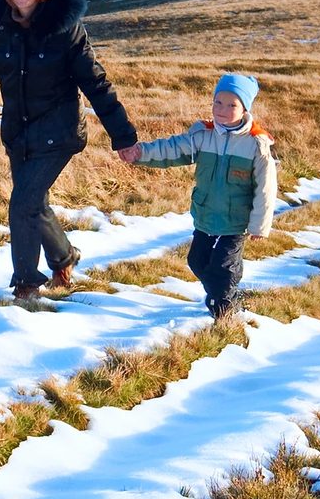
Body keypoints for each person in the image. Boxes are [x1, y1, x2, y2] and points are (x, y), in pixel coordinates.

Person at [0, 0, 137, 300]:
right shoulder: (1, 26)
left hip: (59, 133)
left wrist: (123, 136)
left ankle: (27, 285)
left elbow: (96, 84)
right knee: (35, 203)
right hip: (19, 135)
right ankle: (64, 256)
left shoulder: (67, 30)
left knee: (22, 202)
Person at [117, 71, 278, 321]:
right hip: (205, 215)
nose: (222, 109)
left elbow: (266, 189)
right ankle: (225, 294)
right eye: (218, 102)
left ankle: (223, 310)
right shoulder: (203, 135)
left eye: (231, 104)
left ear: (245, 109)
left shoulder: (255, 145)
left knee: (223, 268)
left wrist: (259, 225)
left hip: (235, 222)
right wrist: (140, 153)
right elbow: (170, 149)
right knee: (197, 260)